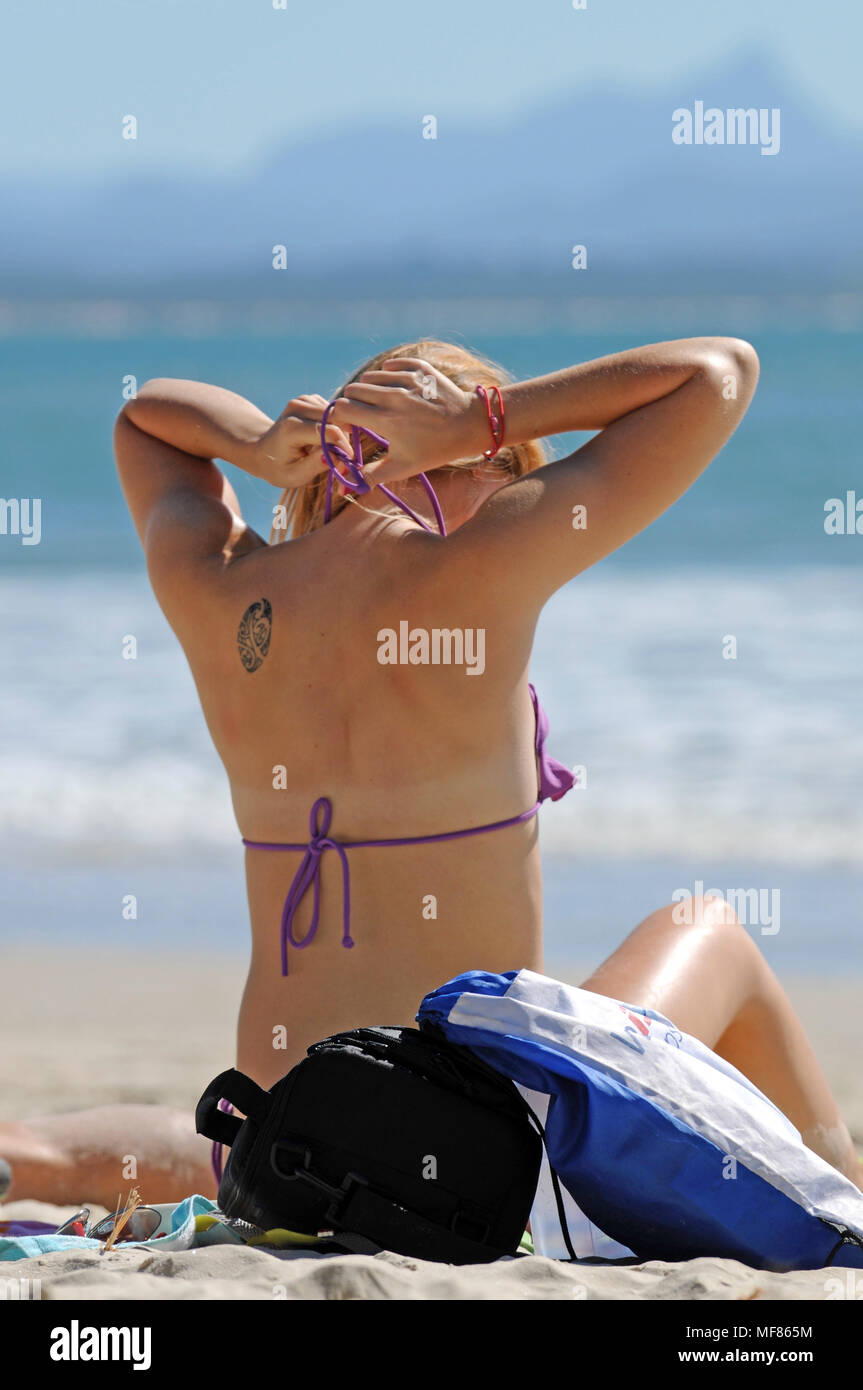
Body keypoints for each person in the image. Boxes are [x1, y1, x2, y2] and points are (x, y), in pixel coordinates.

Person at [3, 337, 860, 1208]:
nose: (514, 484)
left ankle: (24, 1151)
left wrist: (262, 441)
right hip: (474, 1158)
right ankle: (851, 1198)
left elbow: (147, 422)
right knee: (709, 926)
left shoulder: (219, 588)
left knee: (196, 1140)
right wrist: (486, 416)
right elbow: (720, 372)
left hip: (275, 1151)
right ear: (461, 458)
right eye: (508, 465)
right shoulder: (476, 568)